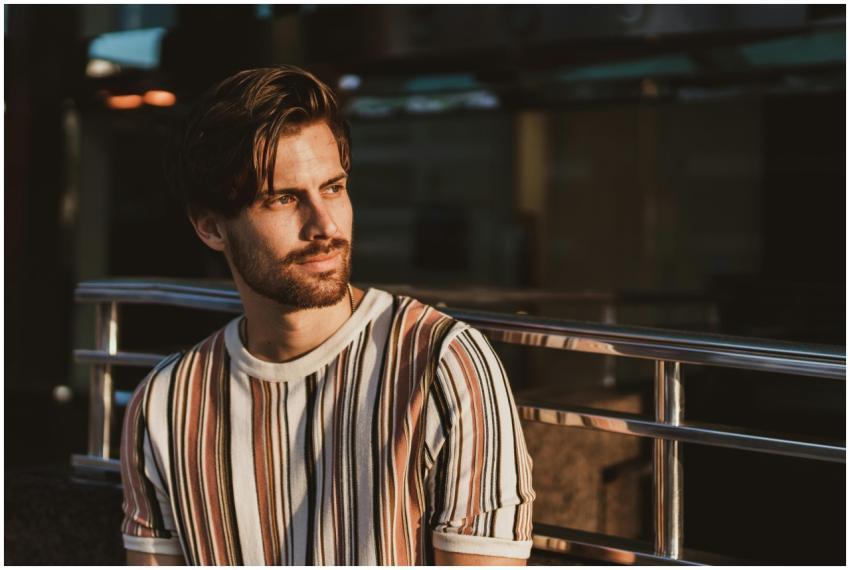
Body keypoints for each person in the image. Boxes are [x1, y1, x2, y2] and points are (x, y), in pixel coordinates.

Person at [119, 65, 535, 566]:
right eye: (283, 198)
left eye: (333, 188)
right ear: (211, 227)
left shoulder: (441, 365)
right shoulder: (165, 404)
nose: (324, 225)